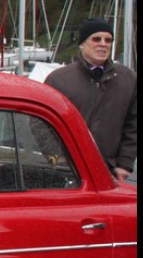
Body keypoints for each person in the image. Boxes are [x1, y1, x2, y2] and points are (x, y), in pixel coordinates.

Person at [44, 18, 136, 181]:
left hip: (110, 171)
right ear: (82, 44)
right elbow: (41, 123)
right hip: (69, 170)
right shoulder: (58, 80)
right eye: (96, 39)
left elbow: (133, 124)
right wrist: (56, 155)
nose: (103, 44)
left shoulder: (128, 79)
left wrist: (125, 163)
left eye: (108, 40)